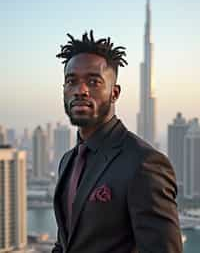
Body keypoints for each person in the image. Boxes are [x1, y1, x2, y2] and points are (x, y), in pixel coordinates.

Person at [52, 30, 182, 253]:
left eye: (93, 81)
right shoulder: (67, 161)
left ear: (115, 93)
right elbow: (65, 244)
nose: (81, 90)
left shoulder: (144, 163)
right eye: (71, 81)